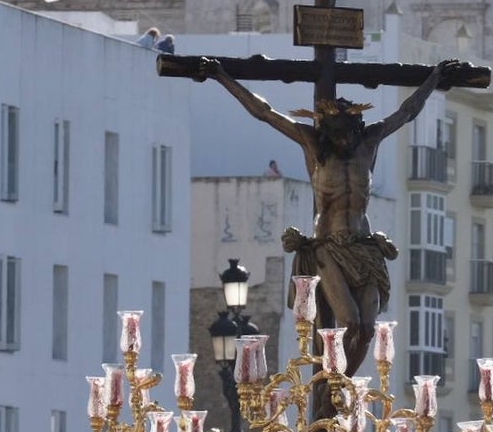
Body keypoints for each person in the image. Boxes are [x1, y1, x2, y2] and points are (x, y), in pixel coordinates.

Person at [197, 56, 462, 377]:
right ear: (327, 130)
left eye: (350, 134)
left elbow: (407, 113)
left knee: (366, 330)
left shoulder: (370, 142)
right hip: (328, 248)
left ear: (356, 128)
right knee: (350, 322)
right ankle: (334, 384)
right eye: (339, 135)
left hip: (365, 248)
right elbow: (263, 112)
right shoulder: (313, 145)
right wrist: (222, 76)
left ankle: (342, 385)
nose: (345, 141)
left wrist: (433, 79)